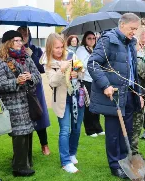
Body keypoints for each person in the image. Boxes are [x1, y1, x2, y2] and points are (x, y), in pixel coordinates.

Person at [87, 13, 144, 179]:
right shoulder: (108, 40)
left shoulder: (130, 43)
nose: (134, 32)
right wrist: (105, 85)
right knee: (113, 133)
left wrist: (138, 93)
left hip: (129, 94)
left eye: (136, 29)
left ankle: (124, 160)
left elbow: (133, 71)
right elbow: (93, 63)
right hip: (115, 96)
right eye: (132, 28)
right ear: (122, 25)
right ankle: (114, 165)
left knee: (125, 130)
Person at [0, 30, 41, 177]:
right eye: (16, 40)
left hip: (27, 102)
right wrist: (16, 81)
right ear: (8, 42)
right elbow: (0, 84)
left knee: (27, 132)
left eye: (20, 40)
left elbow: (37, 76)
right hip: (13, 104)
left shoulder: (26, 57)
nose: (20, 43)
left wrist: (30, 77)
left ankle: (26, 162)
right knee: (19, 134)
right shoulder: (1, 60)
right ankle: (19, 168)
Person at [44, 33, 85, 173]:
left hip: (76, 97)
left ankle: (72, 153)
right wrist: (62, 69)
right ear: (50, 48)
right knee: (64, 130)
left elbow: (81, 69)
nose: (60, 50)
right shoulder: (47, 62)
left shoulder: (71, 56)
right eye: (56, 47)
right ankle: (65, 162)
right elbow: (52, 82)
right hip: (61, 100)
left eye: (62, 47)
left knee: (77, 128)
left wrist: (76, 73)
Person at [17, 26, 51, 155]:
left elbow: (42, 68)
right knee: (24, 117)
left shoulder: (35, 49)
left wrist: (32, 55)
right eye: (21, 34)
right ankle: (25, 148)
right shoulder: (13, 51)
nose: (24, 36)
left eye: (26, 33)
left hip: (35, 88)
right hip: (20, 88)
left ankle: (45, 144)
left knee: (38, 113)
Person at [76, 31, 105, 137]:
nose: (92, 40)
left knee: (97, 104)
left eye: (93, 38)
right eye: (89, 38)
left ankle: (97, 127)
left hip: (96, 79)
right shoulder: (81, 49)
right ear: (85, 39)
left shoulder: (97, 48)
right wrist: (94, 57)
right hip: (86, 79)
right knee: (89, 105)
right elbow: (84, 63)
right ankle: (89, 129)